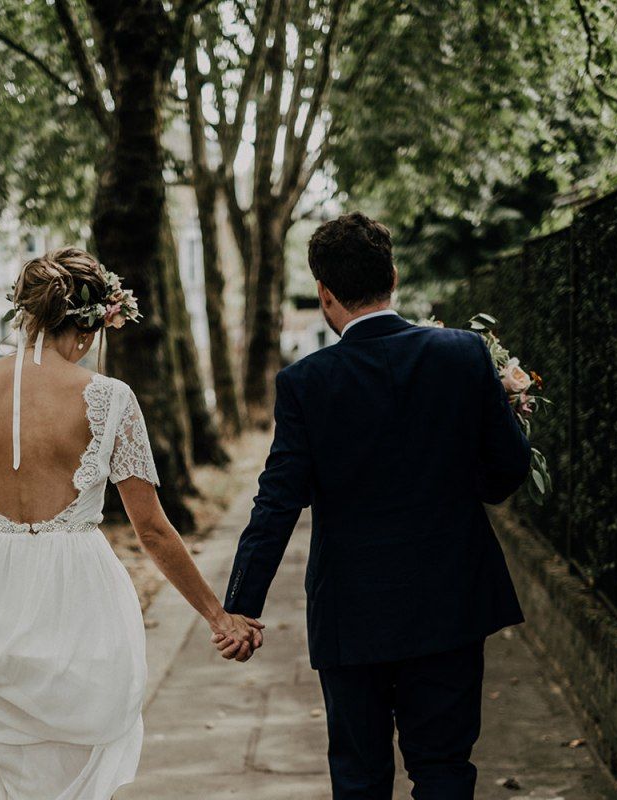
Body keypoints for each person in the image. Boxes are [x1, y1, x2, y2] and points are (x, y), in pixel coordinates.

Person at [0, 247, 263, 800]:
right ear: (91, 326)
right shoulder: (109, 398)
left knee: (13, 762)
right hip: (79, 591)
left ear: (25, 313)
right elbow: (150, 528)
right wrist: (218, 616)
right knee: (78, 757)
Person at [216, 213, 530, 799]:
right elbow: (505, 473)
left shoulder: (306, 383)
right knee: (444, 770)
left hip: (351, 614)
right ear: (393, 273)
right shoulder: (463, 356)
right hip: (451, 603)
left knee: (359, 779)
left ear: (325, 294)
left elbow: (278, 501)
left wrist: (240, 607)